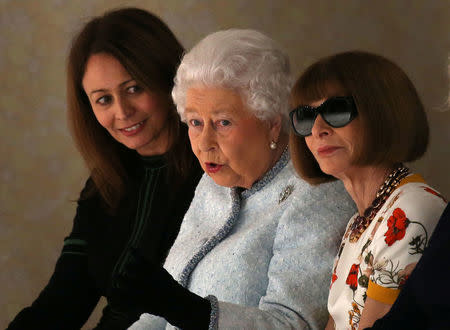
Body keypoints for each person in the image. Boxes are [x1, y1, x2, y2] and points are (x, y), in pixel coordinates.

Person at [122, 29, 355, 330]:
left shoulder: (316, 194)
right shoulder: (214, 183)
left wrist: (190, 311)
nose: (204, 142)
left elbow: (292, 324)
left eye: (223, 122)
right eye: (195, 122)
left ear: (272, 123)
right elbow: (158, 317)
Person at [7, 8, 203, 330]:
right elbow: (62, 301)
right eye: (103, 99)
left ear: (169, 79)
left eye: (134, 88)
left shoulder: (216, 170)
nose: (122, 112)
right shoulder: (105, 184)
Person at [289, 50, 447, 329]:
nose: (317, 129)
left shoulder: (410, 210)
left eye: (336, 110)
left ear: (383, 113)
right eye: (305, 116)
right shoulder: (358, 223)